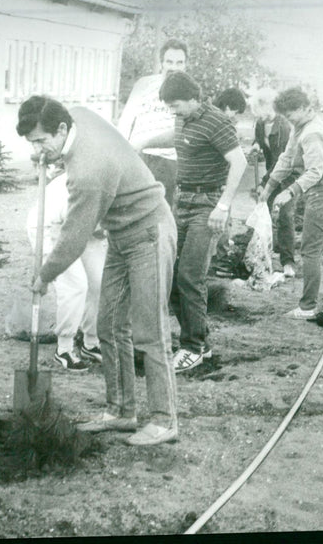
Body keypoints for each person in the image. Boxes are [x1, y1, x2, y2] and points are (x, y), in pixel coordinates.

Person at [17, 95, 178, 446]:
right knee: (109, 324)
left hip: (149, 231)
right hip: (121, 233)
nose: (39, 150)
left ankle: (164, 420)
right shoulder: (77, 114)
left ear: (61, 129)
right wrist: (47, 154)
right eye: (32, 143)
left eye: (42, 141)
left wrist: (44, 275)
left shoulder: (89, 174)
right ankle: (121, 411)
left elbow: (74, 237)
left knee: (150, 330)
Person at [136, 72, 248, 373]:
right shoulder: (184, 118)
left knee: (190, 276)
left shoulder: (217, 121)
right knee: (171, 275)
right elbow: (178, 137)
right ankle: (201, 343)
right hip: (181, 203)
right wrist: (143, 142)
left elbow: (239, 162)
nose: (173, 111)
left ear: (194, 98)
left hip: (207, 205)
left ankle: (192, 347)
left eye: (176, 105)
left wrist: (222, 207)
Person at [259, 87, 323, 318]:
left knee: (310, 250)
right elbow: (286, 159)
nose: (287, 118)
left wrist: (289, 192)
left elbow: (315, 172)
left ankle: (308, 306)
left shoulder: (313, 133)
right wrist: (268, 187)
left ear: (303, 108)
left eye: (290, 114)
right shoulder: (300, 128)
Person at [26, 159, 107, 371]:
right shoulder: (71, 186)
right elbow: (51, 230)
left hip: (84, 230)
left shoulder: (111, 182)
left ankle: (91, 342)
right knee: (76, 285)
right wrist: (46, 268)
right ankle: (64, 348)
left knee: (100, 281)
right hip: (50, 230)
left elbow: (100, 225)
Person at [117, 38, 189, 208]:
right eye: (169, 61)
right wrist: (122, 151)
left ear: (186, 65)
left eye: (179, 62)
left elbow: (186, 131)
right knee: (131, 207)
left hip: (168, 161)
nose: (174, 67)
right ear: (162, 62)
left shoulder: (189, 90)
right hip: (137, 156)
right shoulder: (144, 84)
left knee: (160, 211)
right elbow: (126, 120)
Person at [251, 87, 297, 277]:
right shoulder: (261, 123)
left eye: (258, 110)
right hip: (272, 173)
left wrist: (263, 182)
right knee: (265, 214)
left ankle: (288, 262)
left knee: (286, 216)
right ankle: (264, 256)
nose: (257, 115)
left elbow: (282, 160)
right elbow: (259, 139)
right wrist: (256, 145)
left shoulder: (284, 126)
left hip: (288, 175)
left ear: (268, 106)